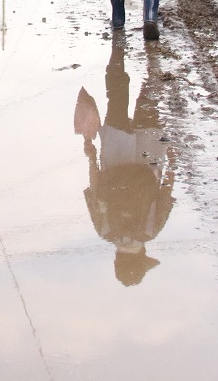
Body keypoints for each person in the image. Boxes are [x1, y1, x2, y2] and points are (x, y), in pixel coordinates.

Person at [74, 39, 175, 286]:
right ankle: (117, 53)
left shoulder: (150, 231)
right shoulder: (105, 231)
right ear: (116, 260)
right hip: (115, 152)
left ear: (142, 257)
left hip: (148, 157)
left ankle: (153, 59)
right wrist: (91, 155)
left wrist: (172, 162)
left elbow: (165, 193)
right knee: (117, 98)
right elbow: (96, 188)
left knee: (150, 98)